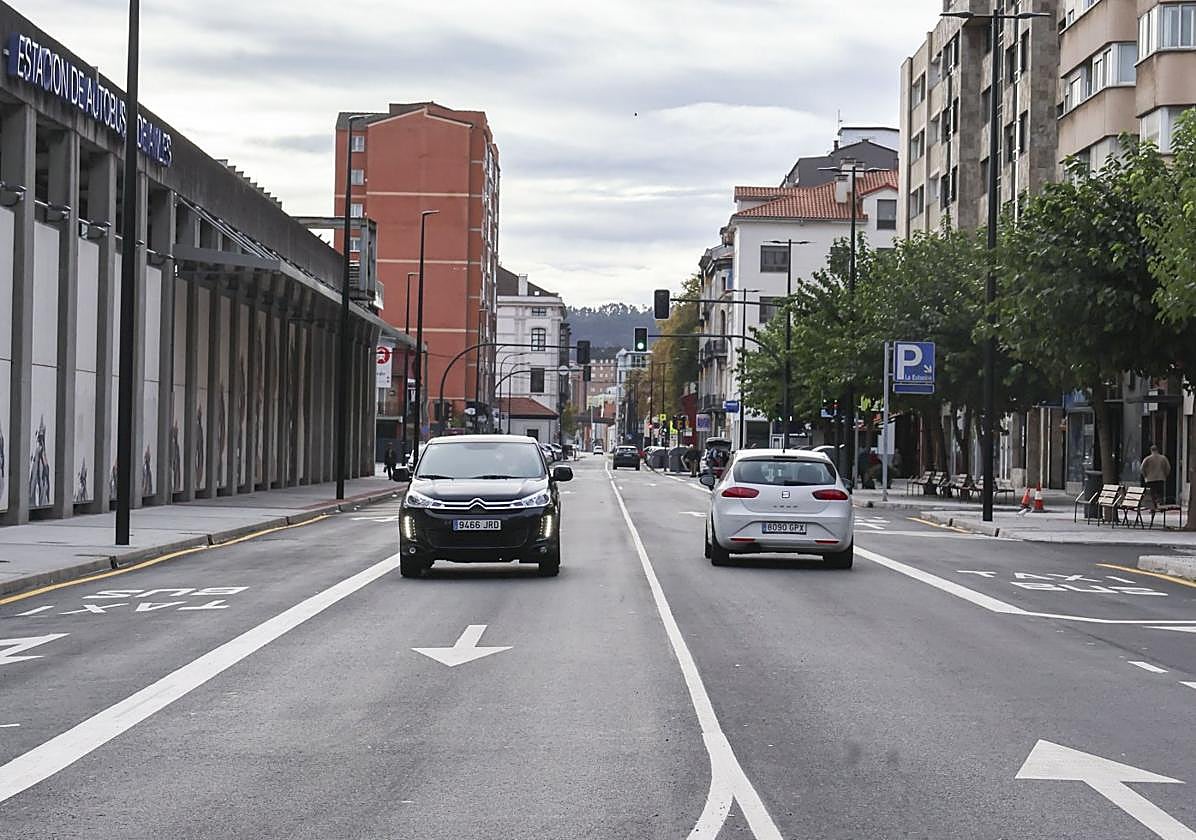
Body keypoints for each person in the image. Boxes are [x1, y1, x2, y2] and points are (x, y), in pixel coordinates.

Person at [1140, 444, 1171, 508]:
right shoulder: (1163, 458)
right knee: (1160, 493)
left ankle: (1153, 506)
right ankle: (1160, 505)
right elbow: (1168, 468)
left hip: (1150, 479)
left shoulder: (1147, 459)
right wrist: (1165, 475)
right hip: (1160, 478)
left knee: (1152, 493)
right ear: (1158, 450)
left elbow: (1142, 468)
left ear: (1151, 450)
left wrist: (1145, 476)